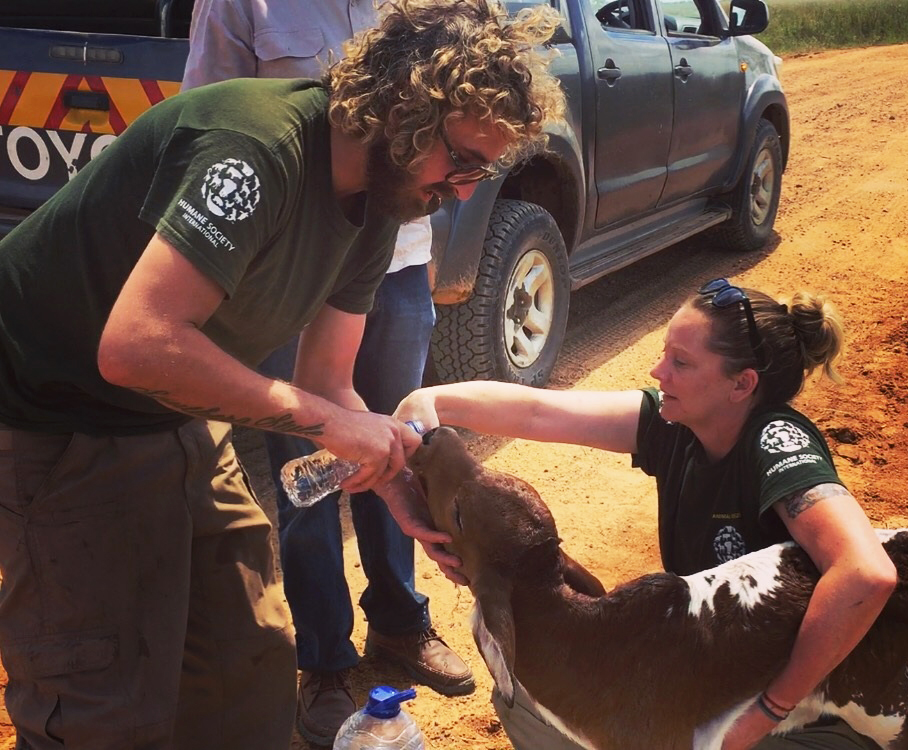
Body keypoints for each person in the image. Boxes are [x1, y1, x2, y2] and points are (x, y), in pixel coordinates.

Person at [0, 0, 566, 747]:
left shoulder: (378, 203)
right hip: (52, 422)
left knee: (250, 665)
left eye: (483, 170)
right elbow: (135, 345)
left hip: (173, 416)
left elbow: (329, 379)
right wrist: (336, 425)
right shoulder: (258, 150)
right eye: (461, 161)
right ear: (404, 113)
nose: (466, 189)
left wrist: (397, 484)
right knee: (106, 703)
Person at [396, 278, 898, 750]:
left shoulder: (775, 442)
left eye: (680, 362)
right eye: (664, 355)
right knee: (535, 704)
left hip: (811, 699)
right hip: (716, 664)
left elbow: (867, 572)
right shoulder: (677, 423)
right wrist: (431, 399)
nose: (659, 372)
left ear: (741, 384)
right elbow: (538, 413)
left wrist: (768, 711)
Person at [180, 1, 474, 743]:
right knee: (307, 467)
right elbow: (208, 119)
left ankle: (401, 624)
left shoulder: (418, 6)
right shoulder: (242, 6)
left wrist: (429, 256)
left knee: (391, 442)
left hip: (396, 260)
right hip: (294, 270)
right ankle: (325, 661)